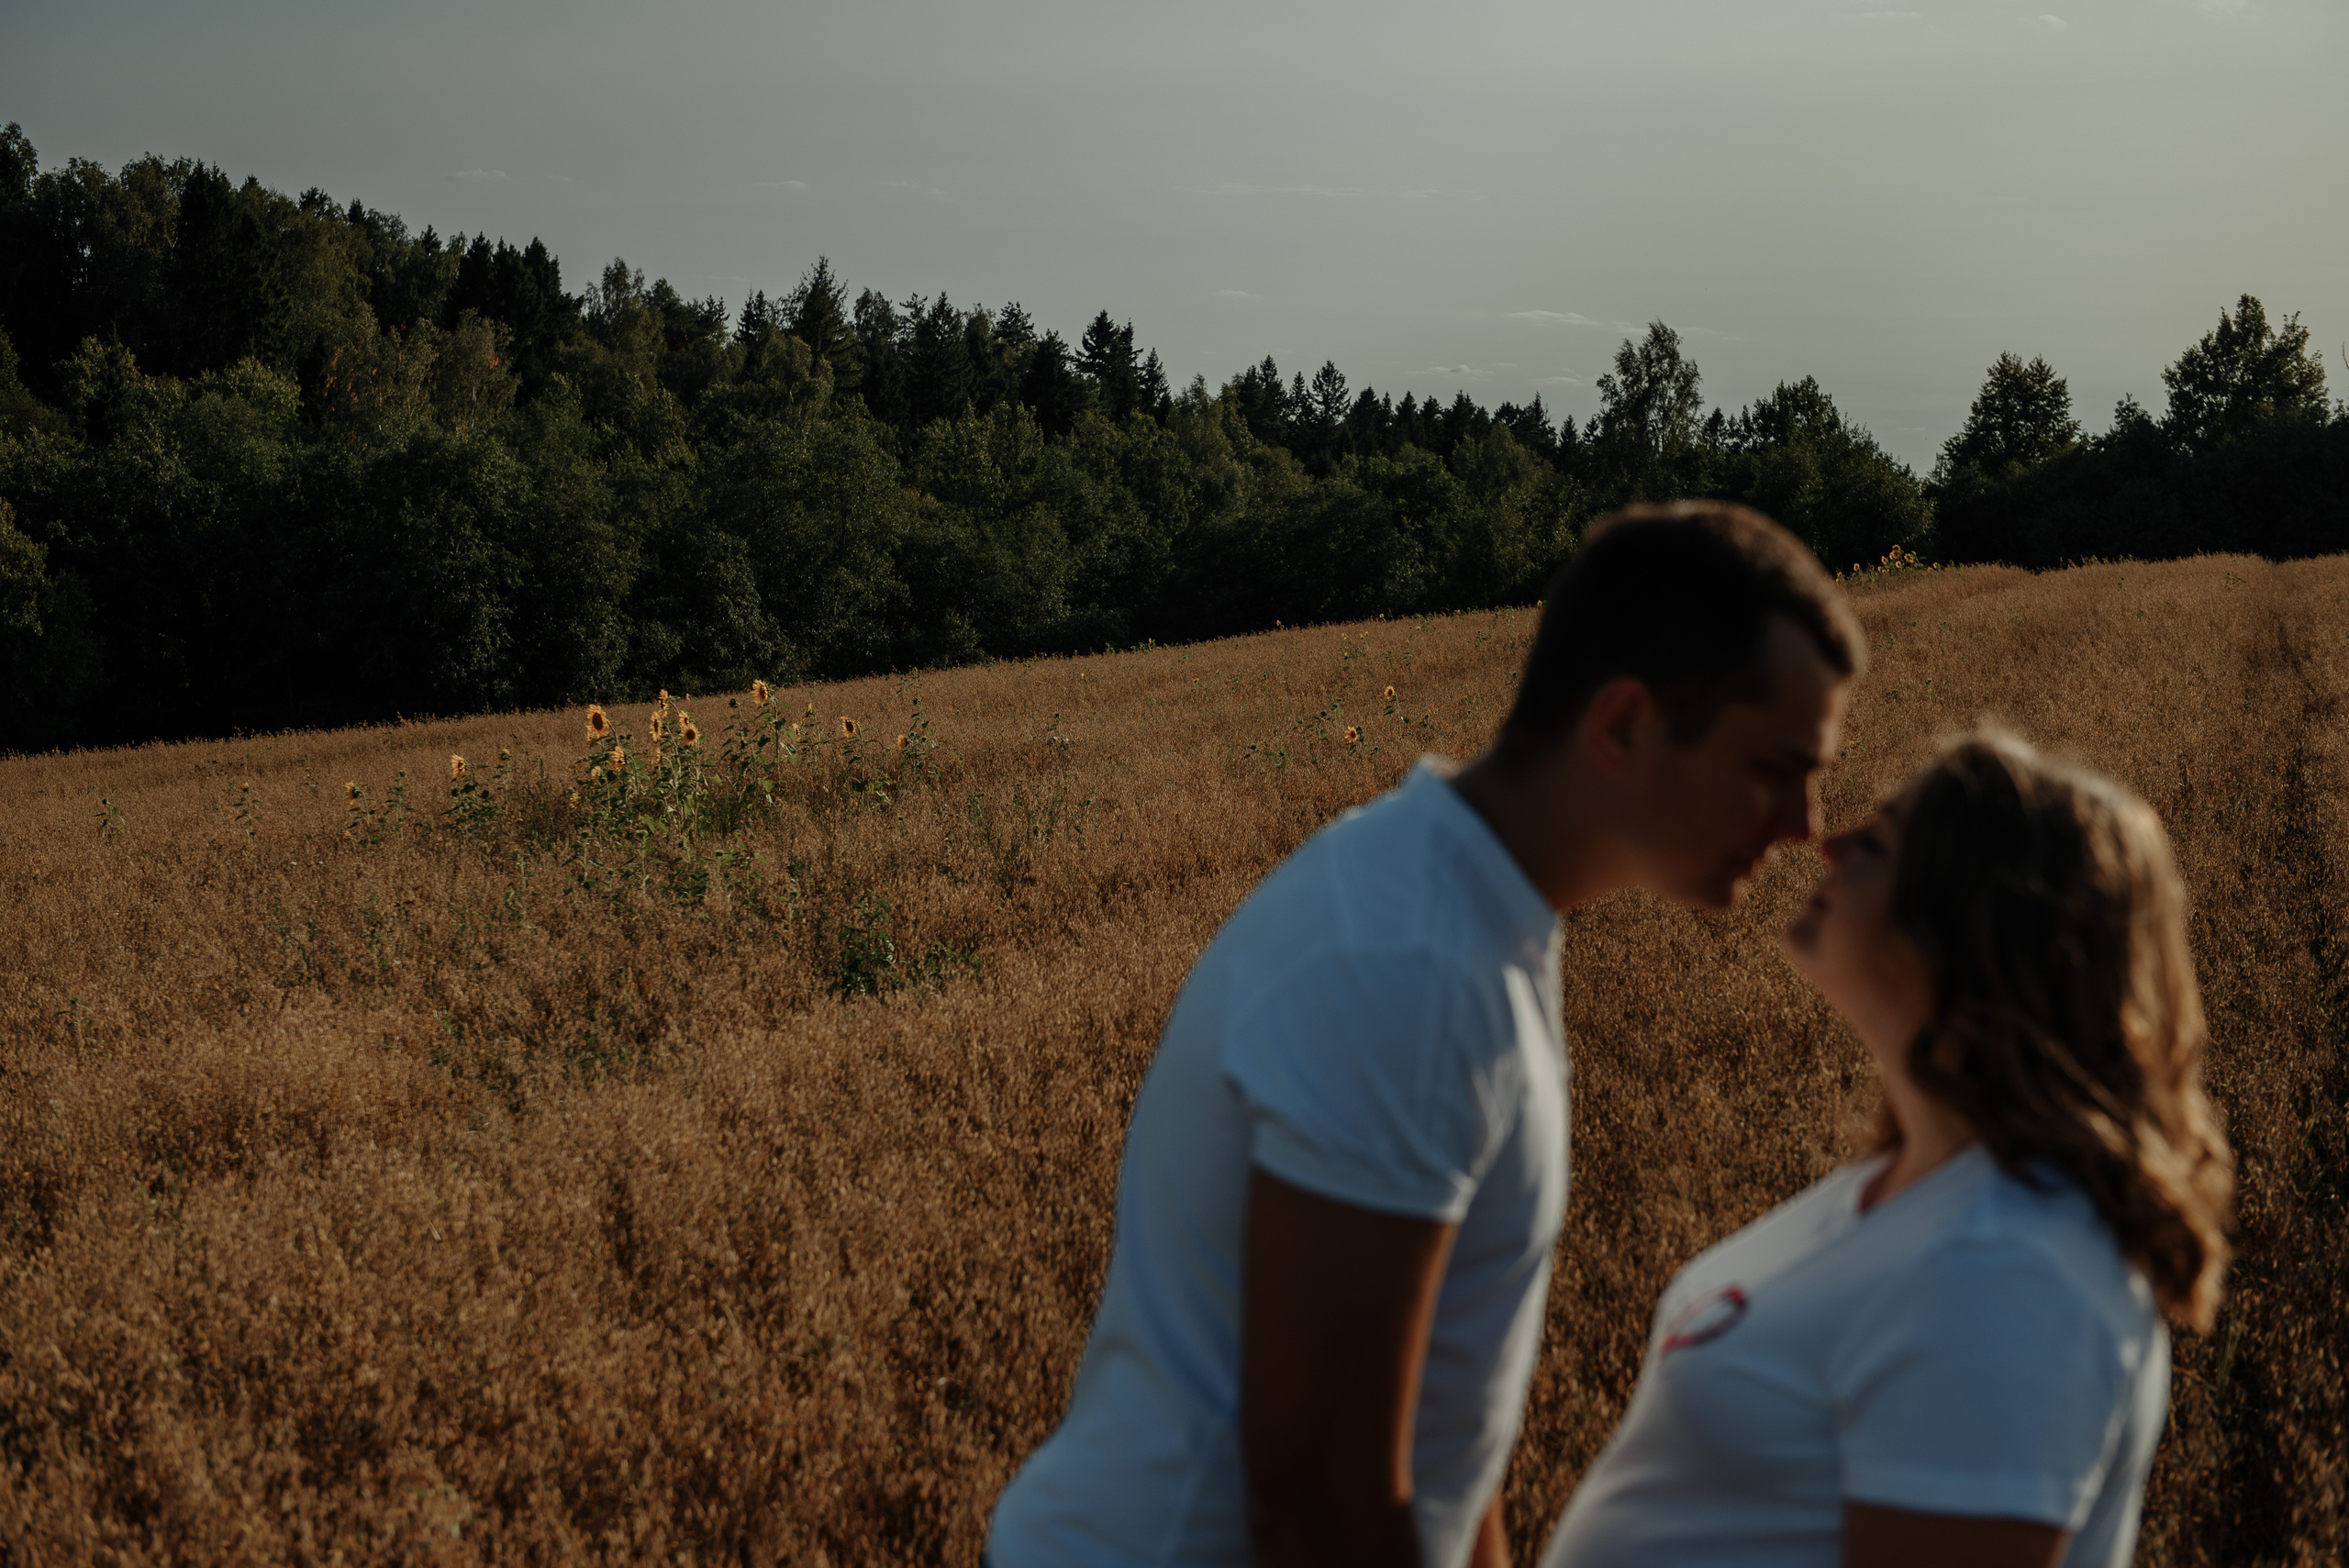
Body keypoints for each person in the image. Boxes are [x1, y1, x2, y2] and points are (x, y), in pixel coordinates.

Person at [985, 502, 1865, 1568]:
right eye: (1776, 763)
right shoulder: (1409, 964)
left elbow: (1440, 1442)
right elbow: (1320, 1497)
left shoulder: (1468, 918)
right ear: (1623, 725)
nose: (1801, 821)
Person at [1540, 732, 2235, 1568]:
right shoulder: (1907, 1195)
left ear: (1971, 920)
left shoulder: (2006, 1271)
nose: (1824, 842)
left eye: (1874, 841)